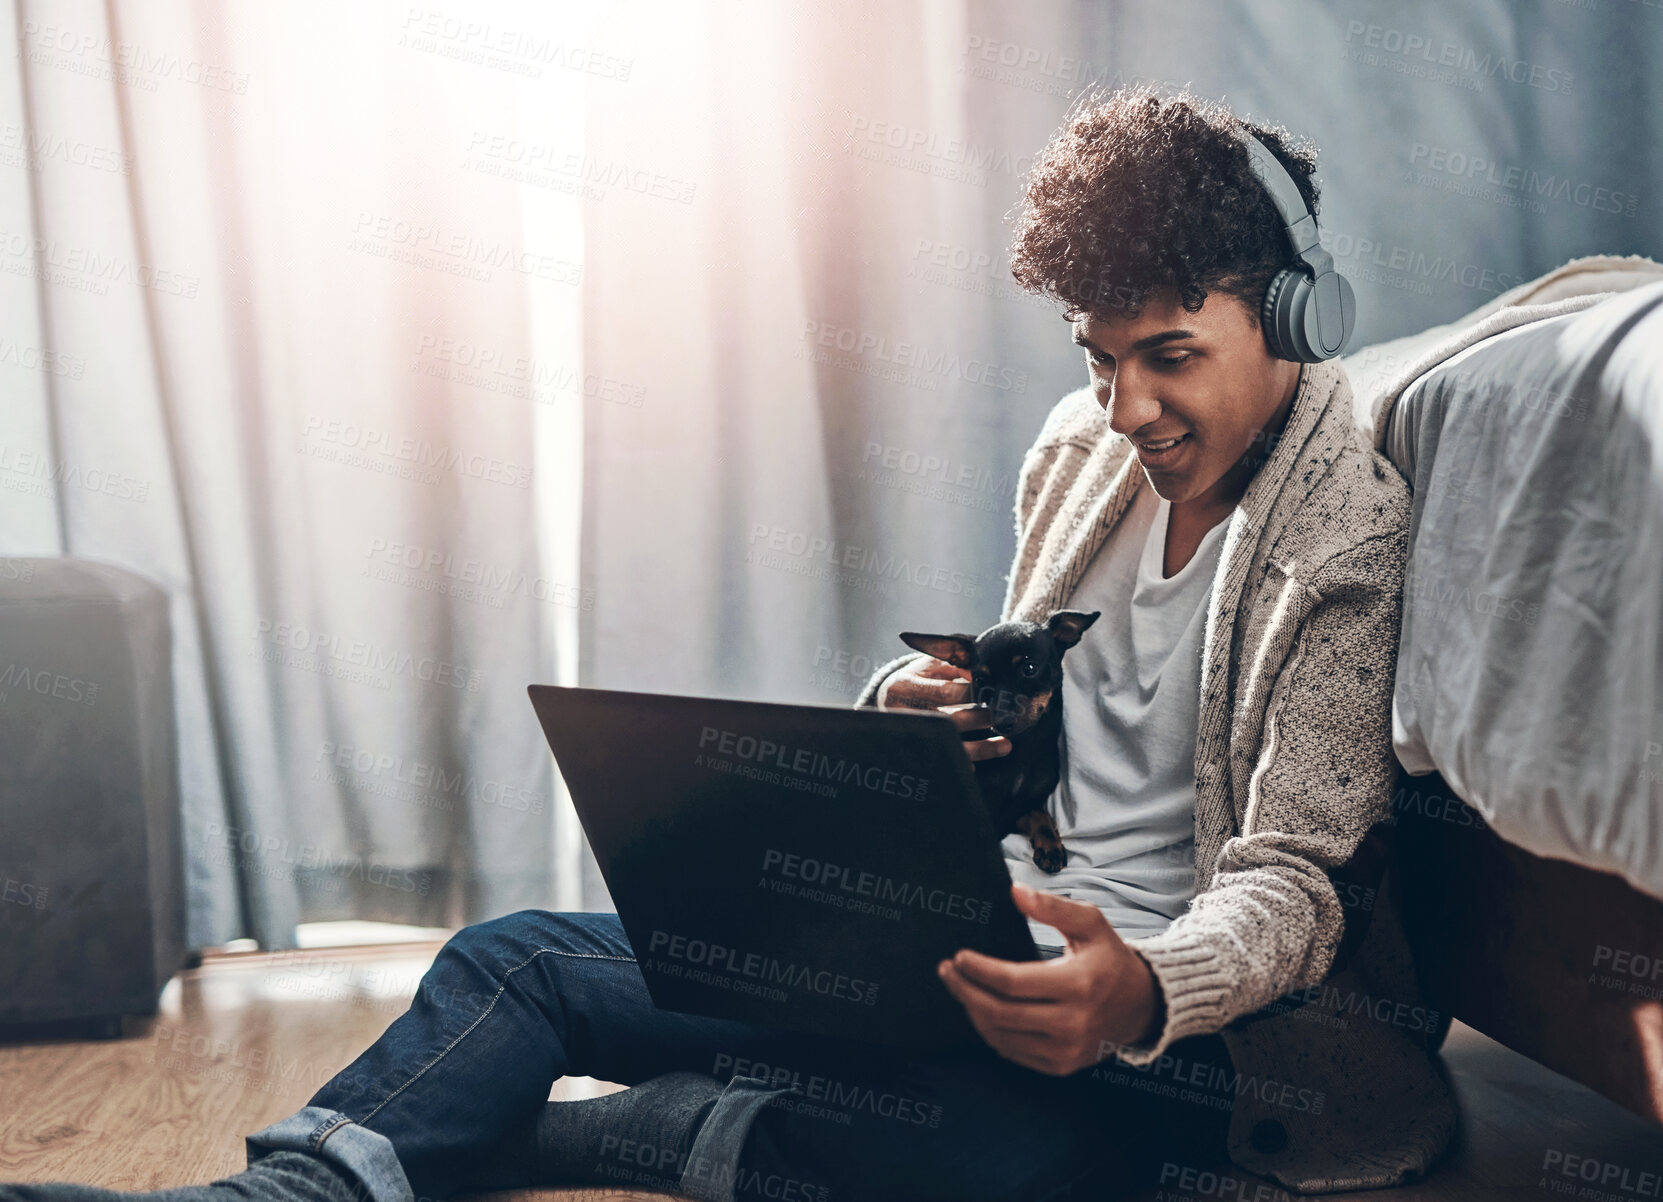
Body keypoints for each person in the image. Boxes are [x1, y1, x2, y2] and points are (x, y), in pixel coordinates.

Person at [2, 87, 1454, 1202]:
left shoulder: (1347, 532)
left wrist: (1138, 989)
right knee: (512, 960)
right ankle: (289, 1190)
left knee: (1021, 1162)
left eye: (1170, 357)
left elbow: (1295, 882)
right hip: (949, 944)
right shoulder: (1080, 451)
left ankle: (556, 1127)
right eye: (1098, 355)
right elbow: (1026, 708)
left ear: (1295, 317)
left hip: (1146, 1023)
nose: (1125, 406)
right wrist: (915, 718)